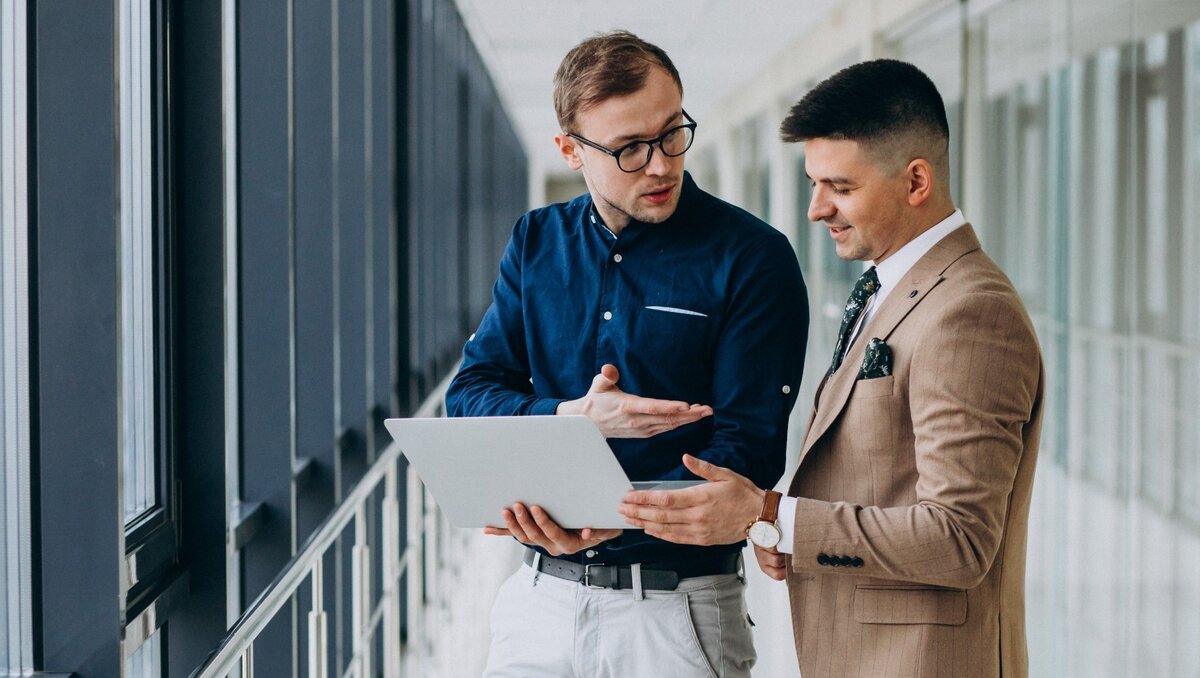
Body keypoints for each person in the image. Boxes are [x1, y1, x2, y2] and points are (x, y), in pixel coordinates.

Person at [621, 59, 1044, 678]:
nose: (817, 208)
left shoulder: (970, 312)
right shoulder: (895, 287)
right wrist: (793, 534)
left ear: (917, 181)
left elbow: (959, 539)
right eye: (814, 184)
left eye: (840, 187)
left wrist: (771, 515)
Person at [443, 30, 809, 678]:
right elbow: (471, 393)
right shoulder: (534, 241)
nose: (662, 164)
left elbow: (749, 451)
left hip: (676, 615)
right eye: (630, 150)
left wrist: (607, 513)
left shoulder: (753, 257)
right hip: (538, 601)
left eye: (672, 133)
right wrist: (572, 420)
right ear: (570, 151)